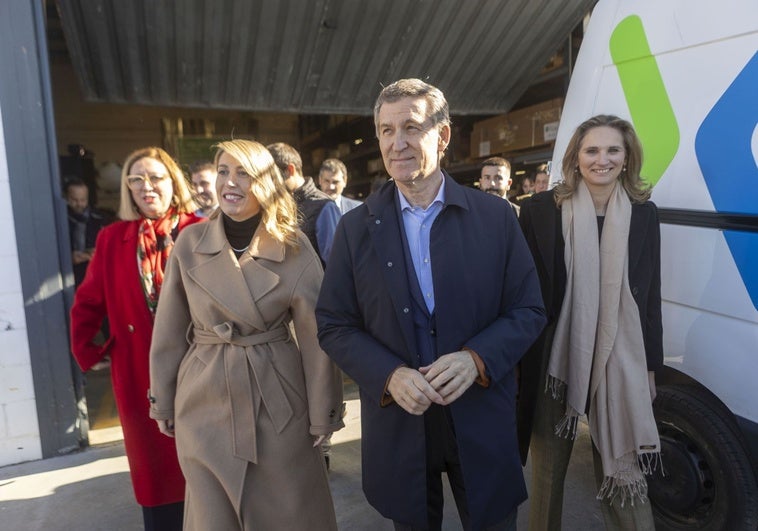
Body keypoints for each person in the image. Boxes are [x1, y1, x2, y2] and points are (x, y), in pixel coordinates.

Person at [316, 78, 546, 531]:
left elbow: (528, 310)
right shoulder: (355, 228)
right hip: (401, 422)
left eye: (410, 127)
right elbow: (334, 323)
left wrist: (475, 358)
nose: (396, 143)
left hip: (479, 413)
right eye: (385, 130)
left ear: (441, 136)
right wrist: (389, 374)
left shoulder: (495, 217)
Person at [148, 139, 344, 530]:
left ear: (267, 183)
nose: (229, 182)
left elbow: (316, 339)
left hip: (278, 402)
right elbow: (168, 331)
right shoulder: (189, 244)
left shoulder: (294, 247)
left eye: (244, 173)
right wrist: (163, 401)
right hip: (204, 399)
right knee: (211, 515)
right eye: (223, 170)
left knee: (288, 510)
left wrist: (324, 414)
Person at [517, 115, 662, 531]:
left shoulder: (644, 214)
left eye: (613, 149)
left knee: (622, 464)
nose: (603, 159)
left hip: (621, 355)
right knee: (548, 473)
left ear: (626, 156)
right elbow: (523, 294)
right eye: (592, 150)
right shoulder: (540, 211)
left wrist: (650, 368)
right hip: (555, 359)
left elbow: (649, 299)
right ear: (576, 158)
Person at [70, 147, 202, 531]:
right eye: (137, 179)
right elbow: (88, 301)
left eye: (156, 178)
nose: (147, 187)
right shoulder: (112, 238)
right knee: (157, 476)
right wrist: (87, 349)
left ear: (173, 182)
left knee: (207, 469)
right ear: (127, 188)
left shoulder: (201, 228)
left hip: (201, 366)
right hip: (139, 372)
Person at [267, 143, 341, 266]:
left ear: (290, 170)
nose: (268, 183)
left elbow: (337, 263)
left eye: (271, 176)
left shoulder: (323, 207)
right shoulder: (276, 203)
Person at [64, 176, 110, 287]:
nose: (79, 204)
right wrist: (67, 257)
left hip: (97, 276)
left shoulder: (101, 219)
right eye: (74, 200)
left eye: (83, 200)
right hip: (68, 278)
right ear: (65, 198)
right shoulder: (59, 221)